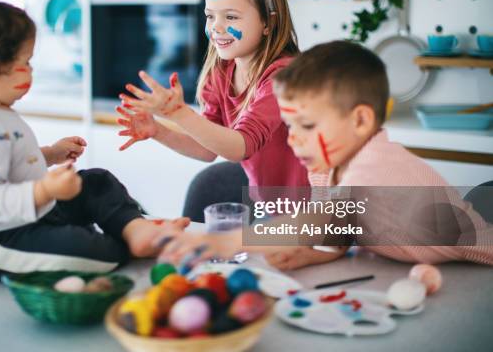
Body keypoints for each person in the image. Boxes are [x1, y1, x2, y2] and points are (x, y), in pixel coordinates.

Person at [158, 40, 493, 269]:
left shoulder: (376, 167)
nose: (293, 140)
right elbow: (340, 229)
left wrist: (233, 241)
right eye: (290, 126)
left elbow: (319, 219)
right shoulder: (325, 166)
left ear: (360, 120)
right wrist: (314, 257)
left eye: (306, 125)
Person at [0, 0, 188, 280]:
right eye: (25, 62)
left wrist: (52, 154)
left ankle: (136, 233)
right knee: (96, 253)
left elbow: (11, 165)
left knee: (96, 182)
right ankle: (124, 244)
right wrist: (46, 190)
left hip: (40, 213)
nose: (31, 70)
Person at [115, 0, 309, 191]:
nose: (216, 27)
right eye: (210, 16)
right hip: (274, 206)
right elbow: (206, 148)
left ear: (267, 22)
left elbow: (241, 146)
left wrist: (179, 113)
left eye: (230, 17)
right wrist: (158, 131)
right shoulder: (222, 72)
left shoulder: (283, 77)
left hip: (317, 207)